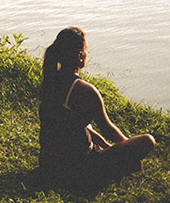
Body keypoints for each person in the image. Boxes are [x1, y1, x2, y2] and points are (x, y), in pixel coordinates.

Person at [38, 27, 155, 186]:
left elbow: (73, 125)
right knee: (147, 140)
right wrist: (128, 149)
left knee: (83, 123)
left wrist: (106, 146)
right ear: (80, 56)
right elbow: (108, 129)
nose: (87, 54)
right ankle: (115, 165)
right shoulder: (85, 91)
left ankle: (109, 157)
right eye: (86, 50)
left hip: (48, 163)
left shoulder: (49, 83)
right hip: (77, 168)